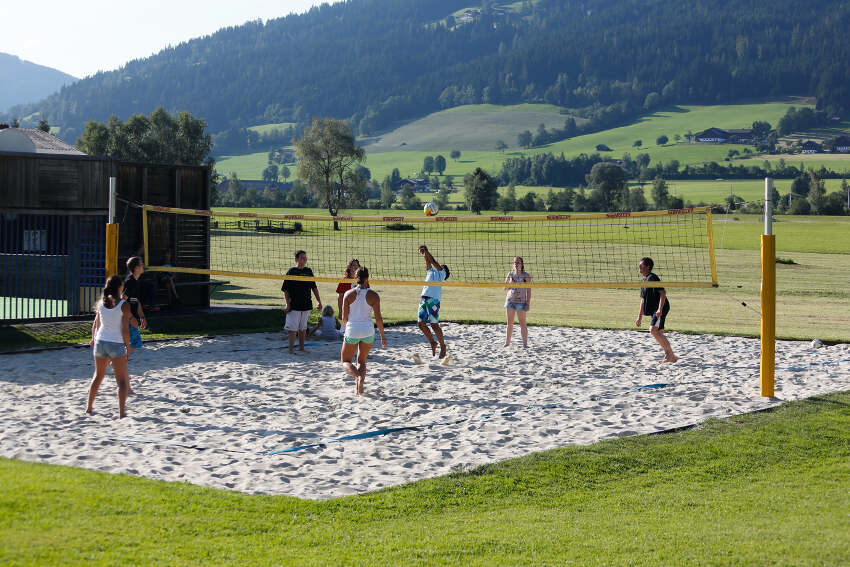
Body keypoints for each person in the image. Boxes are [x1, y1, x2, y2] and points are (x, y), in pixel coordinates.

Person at [86, 275, 132, 418]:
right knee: (121, 381)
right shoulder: (123, 304)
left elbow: (97, 324)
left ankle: (89, 407)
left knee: (98, 376)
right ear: (120, 287)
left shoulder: (101, 303)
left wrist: (93, 338)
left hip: (101, 342)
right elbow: (125, 329)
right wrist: (128, 346)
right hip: (115, 343)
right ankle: (121, 413)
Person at [341, 266, 386, 395]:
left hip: (352, 328)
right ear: (367, 279)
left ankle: (357, 377)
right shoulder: (374, 295)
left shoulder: (348, 294)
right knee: (361, 361)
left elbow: (344, 318)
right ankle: (359, 389)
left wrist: (350, 328)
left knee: (345, 361)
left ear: (356, 278)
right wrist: (382, 336)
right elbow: (378, 319)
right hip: (368, 330)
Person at [635, 256, 677, 363]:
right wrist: (639, 317)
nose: (639, 267)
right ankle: (669, 355)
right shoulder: (644, 280)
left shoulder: (652, 277)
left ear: (648, 267)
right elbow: (643, 300)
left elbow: (663, 293)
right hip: (655, 308)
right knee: (659, 332)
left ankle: (670, 355)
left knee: (653, 330)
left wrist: (659, 309)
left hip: (660, 307)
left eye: (641, 265)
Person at [282, 250, 322, 354]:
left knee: (303, 328)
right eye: (302, 258)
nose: (304, 259)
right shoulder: (291, 271)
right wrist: (287, 304)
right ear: (296, 259)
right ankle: (290, 350)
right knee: (293, 329)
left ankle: (301, 348)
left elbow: (314, 288)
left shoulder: (308, 271)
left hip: (306, 304)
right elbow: (285, 290)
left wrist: (319, 301)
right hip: (294, 305)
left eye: (305, 258)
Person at [417, 245, 449, 358]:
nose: (441, 266)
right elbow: (428, 261)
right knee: (421, 324)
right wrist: (424, 252)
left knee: (434, 324)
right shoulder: (430, 272)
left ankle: (443, 346)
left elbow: (433, 261)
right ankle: (432, 342)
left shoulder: (442, 273)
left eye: (442, 266)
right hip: (424, 298)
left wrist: (426, 250)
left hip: (433, 301)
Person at [504, 256, 532, 348]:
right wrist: (510, 285)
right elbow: (505, 288)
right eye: (515, 262)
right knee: (510, 324)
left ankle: (525, 344)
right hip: (510, 301)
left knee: (522, 323)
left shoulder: (526, 276)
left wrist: (528, 303)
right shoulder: (510, 274)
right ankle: (507, 343)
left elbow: (529, 291)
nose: (516, 264)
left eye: (518, 262)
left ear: (522, 264)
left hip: (521, 302)